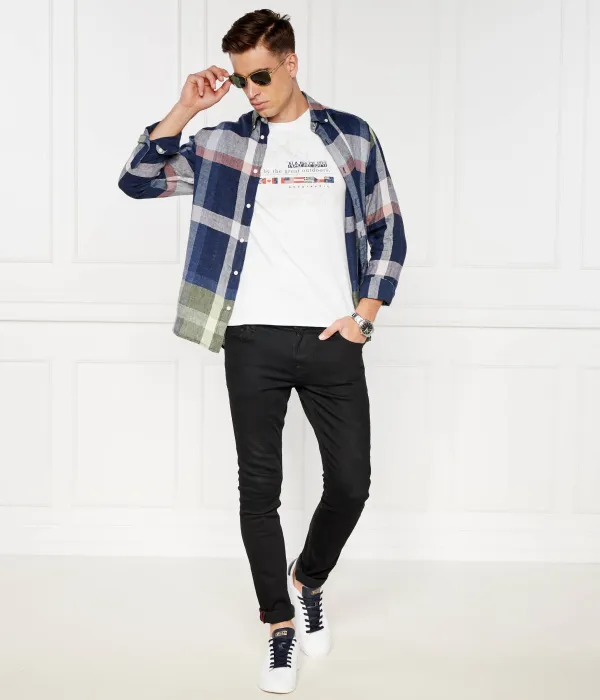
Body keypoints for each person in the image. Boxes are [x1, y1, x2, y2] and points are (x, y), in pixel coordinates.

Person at [118, 8, 407, 694]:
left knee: (352, 483)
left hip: (332, 337)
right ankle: (279, 625)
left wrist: (364, 317)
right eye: (242, 79)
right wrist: (185, 109)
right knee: (260, 490)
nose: (252, 91)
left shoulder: (350, 135)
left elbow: (388, 229)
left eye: (263, 76)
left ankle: (308, 579)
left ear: (291, 63)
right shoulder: (222, 142)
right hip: (251, 339)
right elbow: (137, 179)